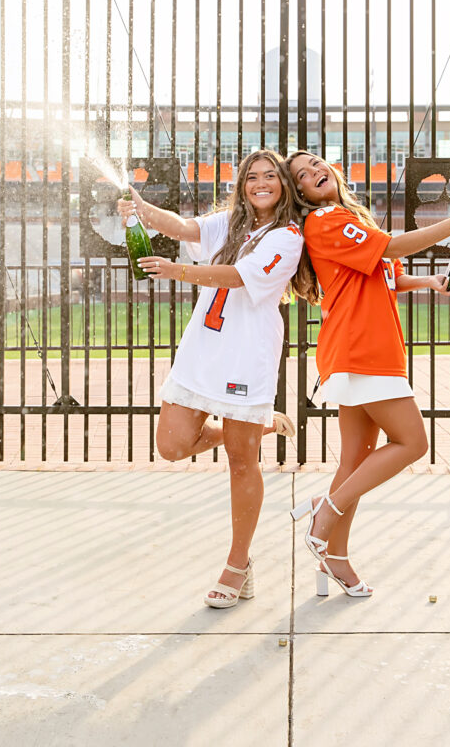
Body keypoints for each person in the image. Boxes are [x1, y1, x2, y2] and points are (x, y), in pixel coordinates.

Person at [118, 150, 314, 608]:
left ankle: (238, 564)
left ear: (284, 184)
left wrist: (176, 271)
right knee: (170, 444)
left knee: (243, 461)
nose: (260, 183)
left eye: (271, 176)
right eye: (252, 176)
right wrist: (140, 209)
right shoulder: (230, 222)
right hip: (202, 351)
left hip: (246, 356)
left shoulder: (287, 237)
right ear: (242, 183)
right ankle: (264, 422)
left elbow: (240, 278)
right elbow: (184, 228)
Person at [286, 151, 450, 597]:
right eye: (302, 175)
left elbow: (387, 273)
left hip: (362, 349)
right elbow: (391, 247)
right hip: (362, 349)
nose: (314, 172)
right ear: (299, 194)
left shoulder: (348, 220)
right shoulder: (325, 219)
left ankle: (332, 558)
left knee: (355, 461)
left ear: (332, 170)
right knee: (413, 442)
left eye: (317, 164)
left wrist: (430, 282)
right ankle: (325, 509)